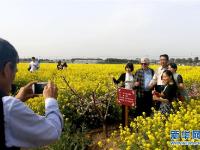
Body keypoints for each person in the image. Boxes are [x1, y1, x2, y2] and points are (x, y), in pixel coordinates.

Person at [0, 38, 63, 149]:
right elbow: (52, 131)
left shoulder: (7, 106)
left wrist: (17, 99)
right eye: (15, 67)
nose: (17, 72)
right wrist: (51, 100)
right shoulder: (8, 107)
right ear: (6, 69)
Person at [112, 62, 135, 127]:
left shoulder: (133, 76)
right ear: (125, 68)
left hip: (131, 95)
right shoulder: (123, 75)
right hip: (124, 94)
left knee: (129, 110)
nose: (128, 69)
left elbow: (134, 85)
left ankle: (128, 123)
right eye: (127, 67)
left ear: (132, 69)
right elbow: (117, 82)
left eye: (129, 68)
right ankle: (123, 124)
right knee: (124, 109)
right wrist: (113, 79)